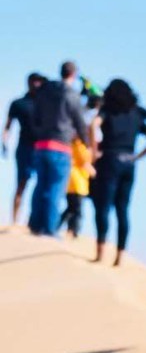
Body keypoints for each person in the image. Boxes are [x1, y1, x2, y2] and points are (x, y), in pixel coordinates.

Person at [89, 78, 146, 266]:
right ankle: (119, 257)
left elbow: (93, 125)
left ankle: (100, 252)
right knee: (122, 209)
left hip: (109, 160)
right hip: (129, 163)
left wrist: (94, 152)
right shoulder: (135, 113)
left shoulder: (108, 110)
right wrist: (138, 156)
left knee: (103, 207)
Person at [28, 61, 88, 236]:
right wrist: (86, 143)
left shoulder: (44, 91)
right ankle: (49, 229)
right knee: (55, 189)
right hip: (61, 147)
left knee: (40, 186)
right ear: (74, 74)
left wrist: (39, 133)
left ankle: (34, 225)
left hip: (41, 145)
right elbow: (80, 123)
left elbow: (35, 117)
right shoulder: (72, 95)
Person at [2, 72, 46, 224]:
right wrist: (4, 141)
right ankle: (15, 221)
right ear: (28, 82)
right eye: (34, 81)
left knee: (42, 186)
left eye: (39, 81)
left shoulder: (45, 104)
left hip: (42, 148)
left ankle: (34, 221)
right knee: (22, 183)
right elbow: (8, 125)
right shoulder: (19, 103)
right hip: (24, 148)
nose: (36, 84)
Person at [58, 136, 93, 238]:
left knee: (71, 208)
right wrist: (94, 172)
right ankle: (74, 231)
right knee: (77, 210)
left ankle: (61, 226)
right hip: (77, 183)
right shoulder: (79, 145)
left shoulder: (72, 144)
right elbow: (84, 162)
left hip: (72, 182)